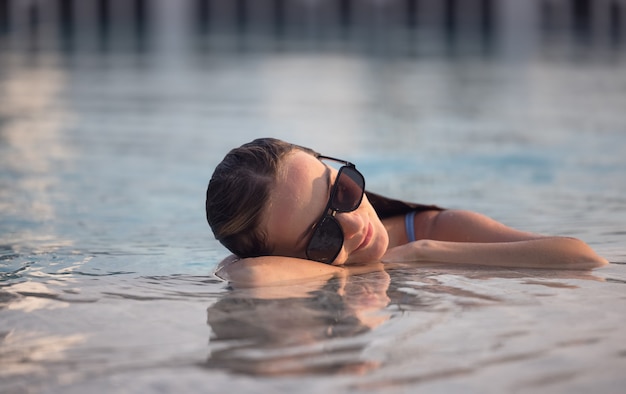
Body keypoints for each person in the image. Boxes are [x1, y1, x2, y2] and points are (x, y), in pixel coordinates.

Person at [205, 138, 607, 287]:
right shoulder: (279, 268)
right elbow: (252, 274)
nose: (353, 222)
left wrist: (423, 253)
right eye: (322, 237)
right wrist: (371, 269)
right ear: (285, 256)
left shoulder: (432, 230)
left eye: (343, 191)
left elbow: (581, 257)